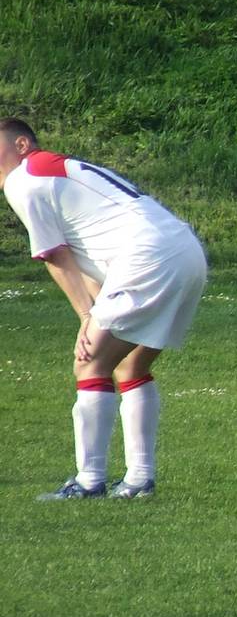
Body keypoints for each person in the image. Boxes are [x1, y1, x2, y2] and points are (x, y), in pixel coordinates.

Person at [0, 118, 208, 501]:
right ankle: (139, 481)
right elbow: (87, 257)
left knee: (90, 363)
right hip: (185, 251)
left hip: (148, 255)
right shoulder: (56, 174)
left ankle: (89, 481)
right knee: (130, 366)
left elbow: (55, 255)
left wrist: (86, 317)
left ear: (22, 145)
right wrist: (94, 311)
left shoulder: (23, 179)